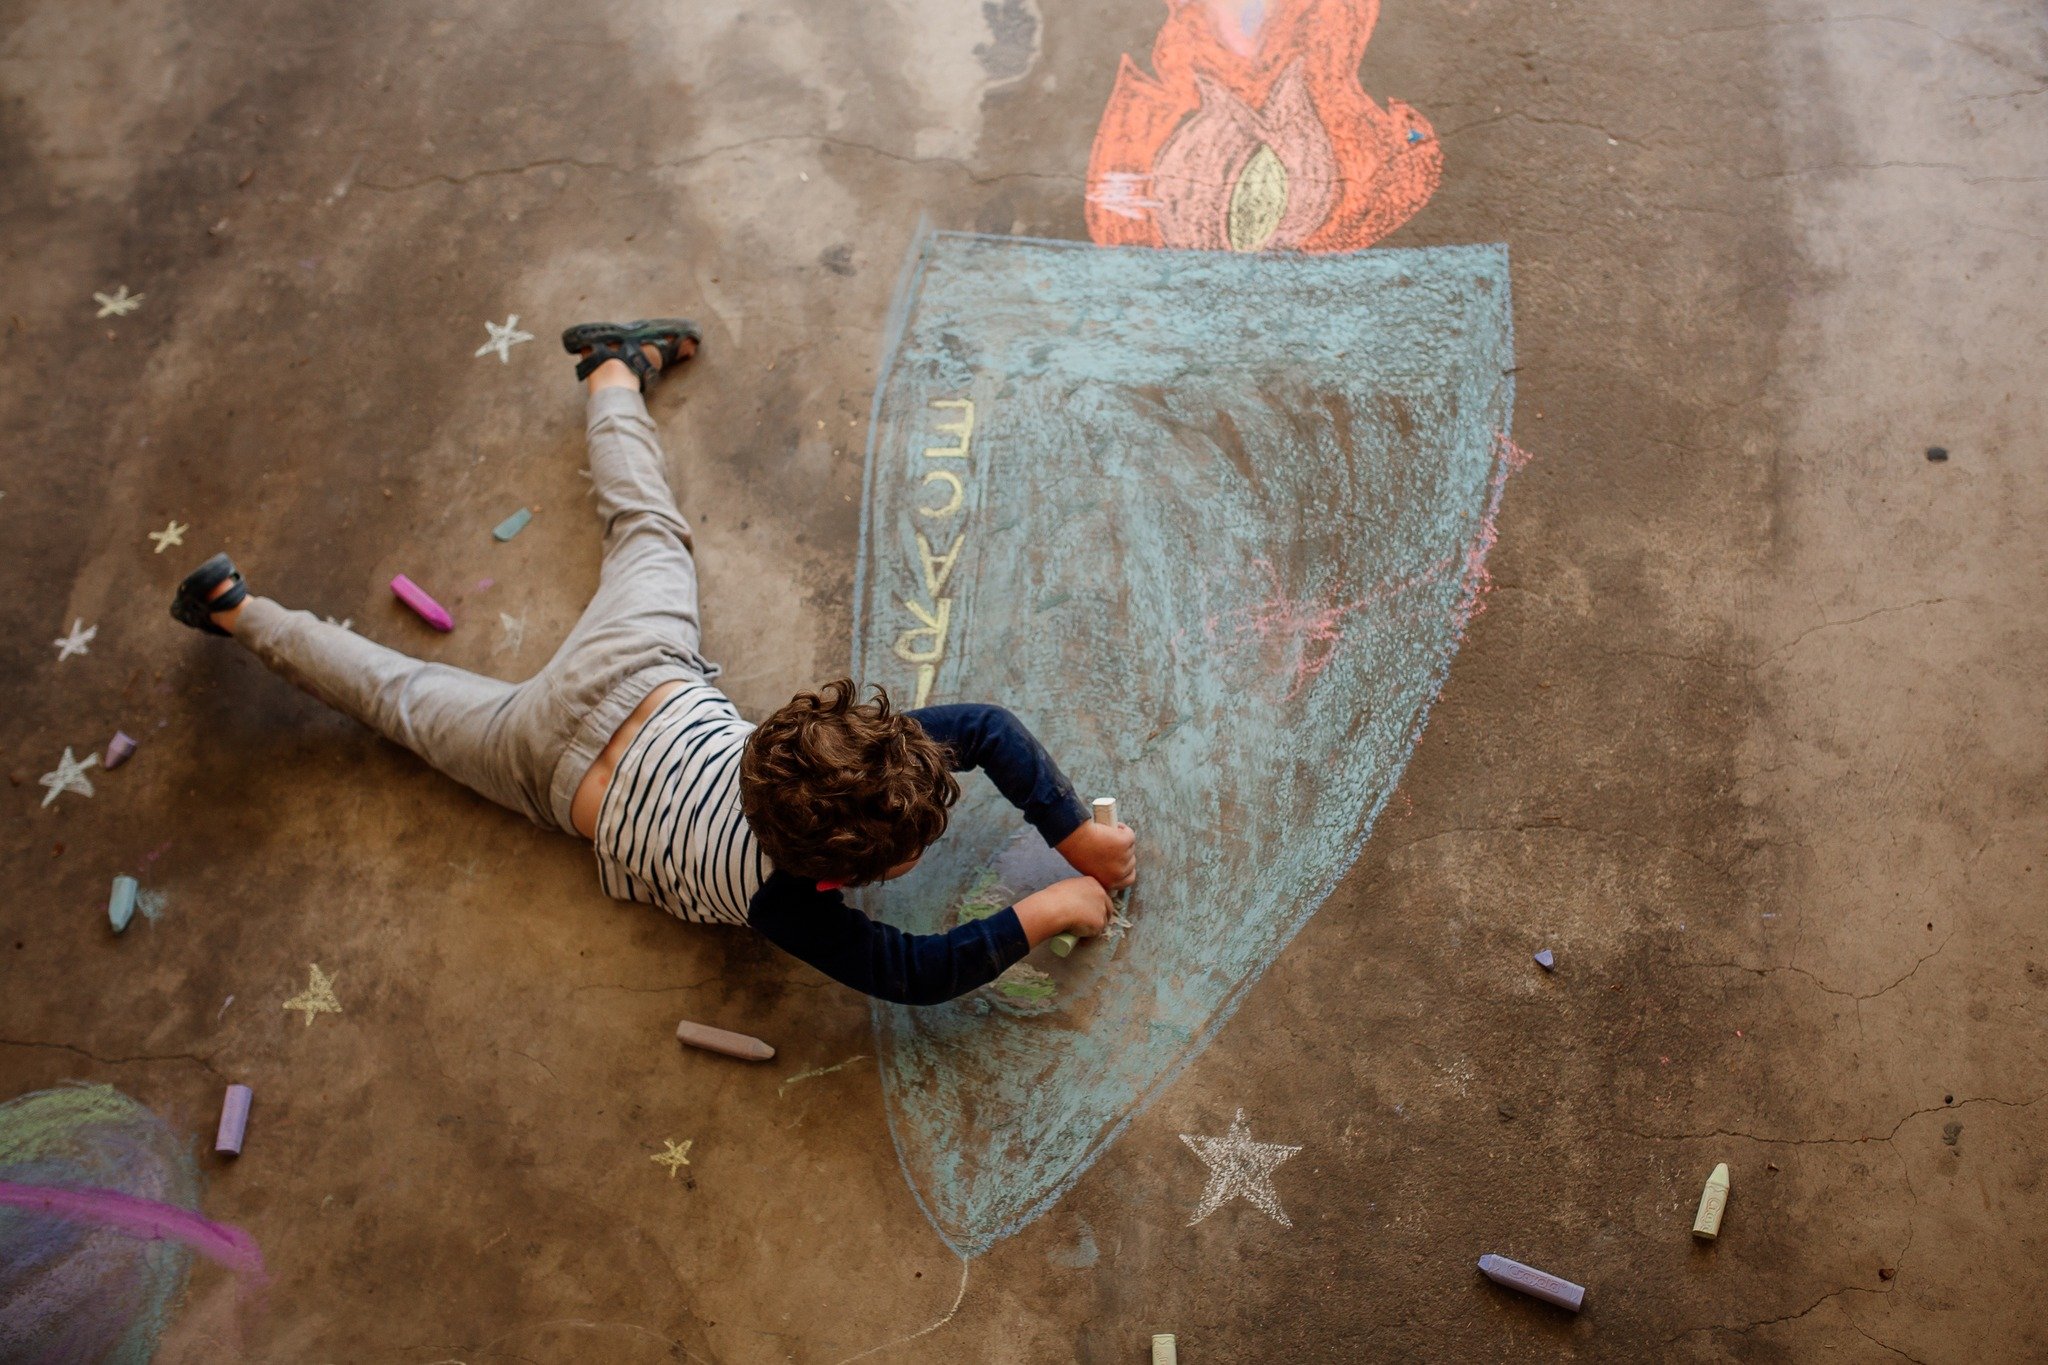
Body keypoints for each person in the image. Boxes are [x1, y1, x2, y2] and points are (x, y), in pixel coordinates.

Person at [168, 320, 1136, 1004]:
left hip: (640, 674)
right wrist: (1051, 898)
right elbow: (911, 974)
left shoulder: (809, 765)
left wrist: (1069, 843)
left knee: (642, 536)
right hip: (548, 761)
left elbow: (982, 731)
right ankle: (237, 612)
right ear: (840, 879)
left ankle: (608, 376)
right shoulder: (781, 904)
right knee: (404, 698)